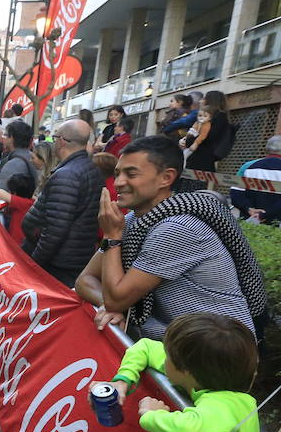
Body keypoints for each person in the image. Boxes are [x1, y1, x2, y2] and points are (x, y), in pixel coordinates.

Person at [74, 136, 264, 340]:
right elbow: (85, 280)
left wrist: (112, 237)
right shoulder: (131, 221)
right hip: (178, 344)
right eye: (117, 173)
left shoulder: (176, 229)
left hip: (216, 351)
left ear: (166, 178)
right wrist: (113, 305)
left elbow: (116, 299)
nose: (119, 183)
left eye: (131, 174)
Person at [110, 311, 259, 432]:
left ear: (186, 371)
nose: (163, 356)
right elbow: (146, 347)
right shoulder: (201, 373)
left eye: (168, 355)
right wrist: (123, 379)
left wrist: (151, 414)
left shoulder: (229, 403)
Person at [21, 118, 104, 287]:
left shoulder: (67, 175)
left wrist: (34, 263)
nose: (53, 142)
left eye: (54, 137)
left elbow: (55, 230)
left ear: (61, 141)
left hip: (58, 264)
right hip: (73, 258)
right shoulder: (89, 168)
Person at [230, 135, 281, 226]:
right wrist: (265, 213)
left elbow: (236, 193)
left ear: (267, 147)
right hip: (276, 219)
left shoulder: (247, 165)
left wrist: (248, 209)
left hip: (248, 217)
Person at [185, 90, 231, 173]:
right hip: (196, 156)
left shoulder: (219, 117)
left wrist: (191, 139)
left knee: (195, 183)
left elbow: (209, 136)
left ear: (210, 100)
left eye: (204, 98)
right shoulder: (204, 116)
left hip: (203, 158)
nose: (200, 101)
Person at [0, 120, 37, 193]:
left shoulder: (13, 164)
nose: (3, 138)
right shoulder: (35, 158)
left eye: (5, 135)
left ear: (11, 138)